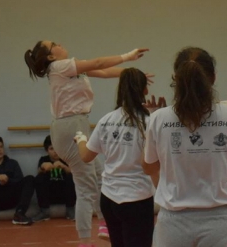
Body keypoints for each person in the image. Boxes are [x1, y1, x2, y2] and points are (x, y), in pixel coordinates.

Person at [24, 41, 149, 247]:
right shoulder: (59, 66)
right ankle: (84, 241)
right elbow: (98, 62)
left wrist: (134, 76)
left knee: (99, 177)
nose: (60, 44)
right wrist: (128, 56)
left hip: (75, 124)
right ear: (51, 57)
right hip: (69, 127)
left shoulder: (70, 68)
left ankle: (104, 223)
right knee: (85, 188)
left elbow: (103, 71)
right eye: (54, 45)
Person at [143, 47, 227, 247]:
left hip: (172, 222)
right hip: (221, 222)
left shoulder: (158, 118)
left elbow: (149, 166)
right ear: (213, 78)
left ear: (176, 78)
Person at [74, 68, 165, 247]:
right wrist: (157, 118)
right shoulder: (149, 122)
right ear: (145, 90)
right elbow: (153, 163)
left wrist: (80, 139)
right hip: (137, 199)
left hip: (108, 199)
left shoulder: (106, 120)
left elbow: (86, 156)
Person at [32, 135, 77, 222]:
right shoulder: (44, 159)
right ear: (47, 150)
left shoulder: (66, 159)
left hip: (64, 194)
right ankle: (44, 212)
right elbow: (39, 170)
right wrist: (43, 167)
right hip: (50, 195)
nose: (55, 151)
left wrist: (64, 166)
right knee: (39, 177)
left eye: (57, 148)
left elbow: (75, 173)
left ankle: (70, 210)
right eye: (51, 149)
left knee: (71, 176)